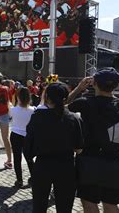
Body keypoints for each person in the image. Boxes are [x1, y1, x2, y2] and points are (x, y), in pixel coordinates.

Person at [67, 68, 119, 212]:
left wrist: (78, 89)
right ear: (115, 85)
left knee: (89, 202)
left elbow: (57, 108)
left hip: (89, 160)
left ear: (93, 83)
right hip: (114, 161)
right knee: (110, 204)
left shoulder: (85, 103)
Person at [25, 82, 83, 212]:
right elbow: (79, 149)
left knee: (39, 207)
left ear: (47, 98)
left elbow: (28, 148)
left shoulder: (37, 117)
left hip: (43, 166)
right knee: (64, 207)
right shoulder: (74, 118)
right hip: (66, 167)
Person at [9, 87, 35, 188]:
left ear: (18, 97)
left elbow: (11, 110)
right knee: (29, 158)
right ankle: (33, 178)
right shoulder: (33, 110)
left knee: (17, 158)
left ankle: (19, 180)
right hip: (27, 136)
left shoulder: (13, 110)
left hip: (15, 135)